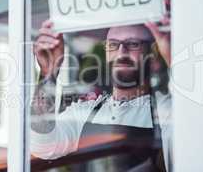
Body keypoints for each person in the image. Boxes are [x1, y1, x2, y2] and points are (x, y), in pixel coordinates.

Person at [31, 17, 172, 171]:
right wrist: (48, 73)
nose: (121, 52)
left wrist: (173, 58)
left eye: (133, 44)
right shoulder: (84, 112)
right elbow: (42, 147)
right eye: (113, 44)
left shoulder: (167, 111)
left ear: (153, 58)